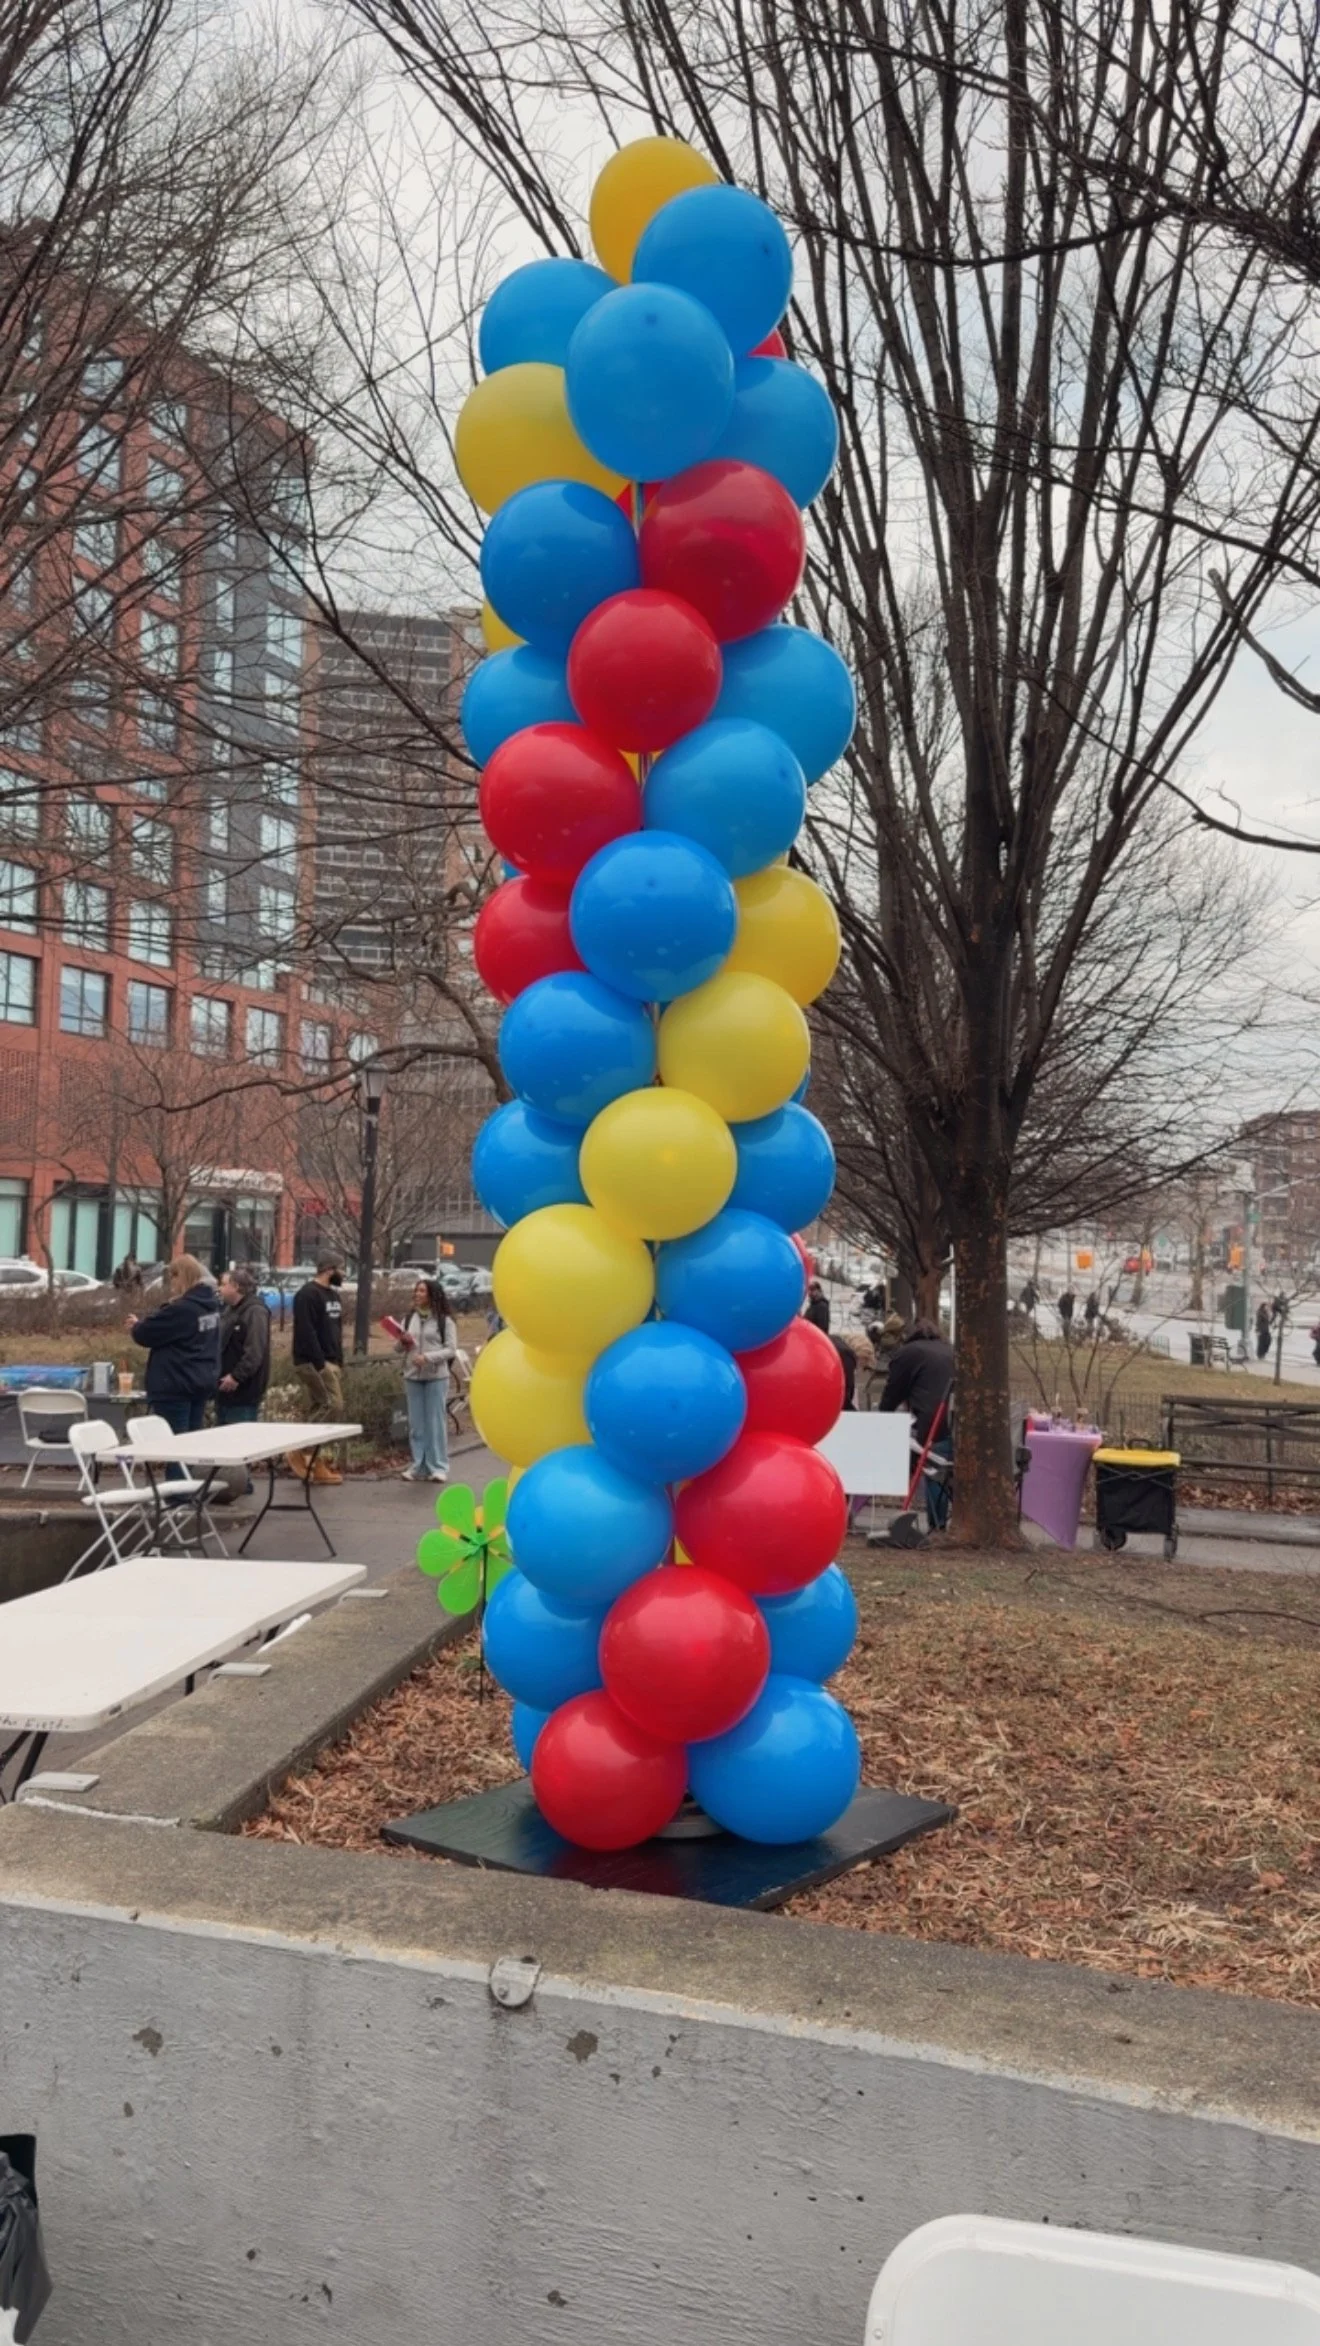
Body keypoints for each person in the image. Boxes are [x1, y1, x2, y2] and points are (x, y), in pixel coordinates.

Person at [128, 1255, 222, 1456]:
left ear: (182, 1277)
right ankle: (191, 1486)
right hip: (200, 1380)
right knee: (191, 1446)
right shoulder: (210, 1306)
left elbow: (147, 1333)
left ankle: (179, 1487)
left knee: (176, 1450)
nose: (171, 1283)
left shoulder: (183, 1309)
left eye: (173, 1277)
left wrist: (136, 1326)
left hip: (175, 1383)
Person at [880, 1317, 956, 1531]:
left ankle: (937, 1523)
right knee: (945, 1468)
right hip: (954, 1420)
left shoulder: (908, 1353)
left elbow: (892, 1392)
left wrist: (882, 1415)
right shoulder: (950, 1351)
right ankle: (947, 1520)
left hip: (930, 1421)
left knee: (933, 1467)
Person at [394, 1277, 458, 1483]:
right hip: (412, 1376)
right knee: (417, 1424)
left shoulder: (444, 1321)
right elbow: (398, 1348)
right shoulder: (409, 1318)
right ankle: (418, 1465)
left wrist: (428, 1358)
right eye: (416, 1291)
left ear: (432, 1295)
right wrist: (401, 1342)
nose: (417, 1294)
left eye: (422, 1291)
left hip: (436, 1377)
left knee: (435, 1422)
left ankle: (438, 1466)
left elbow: (450, 1349)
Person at [290, 1256, 345, 1486]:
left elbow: (336, 1329)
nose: (342, 1274)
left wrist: (339, 1360)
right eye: (340, 1269)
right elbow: (306, 1331)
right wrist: (321, 1364)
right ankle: (297, 1448)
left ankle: (315, 1461)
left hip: (331, 1360)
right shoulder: (307, 1295)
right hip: (313, 1362)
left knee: (318, 1407)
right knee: (333, 1405)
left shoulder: (333, 1295)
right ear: (328, 1269)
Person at [217, 1267, 272, 1426]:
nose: (219, 1288)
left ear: (235, 1286)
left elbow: (255, 1350)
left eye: (223, 1284)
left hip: (244, 1391)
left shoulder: (255, 1312)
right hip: (224, 1390)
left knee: (239, 1439)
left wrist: (237, 1376)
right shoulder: (229, 1311)